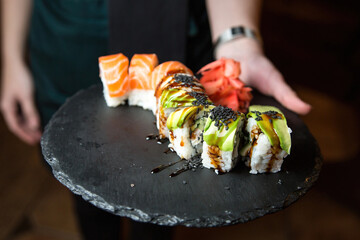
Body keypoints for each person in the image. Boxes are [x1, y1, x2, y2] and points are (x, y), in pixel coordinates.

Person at [1, 0, 311, 239]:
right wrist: (11, 58)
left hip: (176, 22)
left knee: (166, 202)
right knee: (84, 185)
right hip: (69, 35)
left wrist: (238, 39)